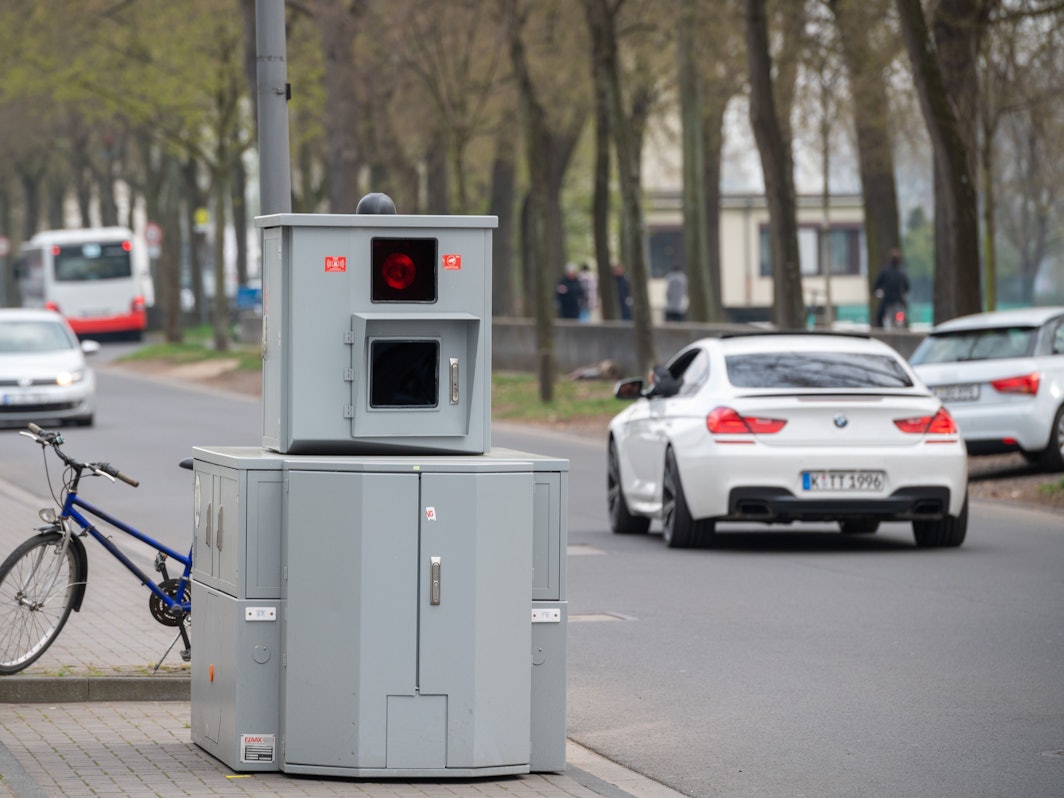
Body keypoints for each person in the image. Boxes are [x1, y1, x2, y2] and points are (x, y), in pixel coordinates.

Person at [872, 249, 910, 328]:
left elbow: (877, 284)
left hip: (887, 300)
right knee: (902, 315)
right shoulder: (901, 273)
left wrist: (874, 291)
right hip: (899, 300)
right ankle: (902, 326)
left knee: (880, 317)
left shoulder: (885, 272)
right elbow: (907, 287)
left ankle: (881, 330)